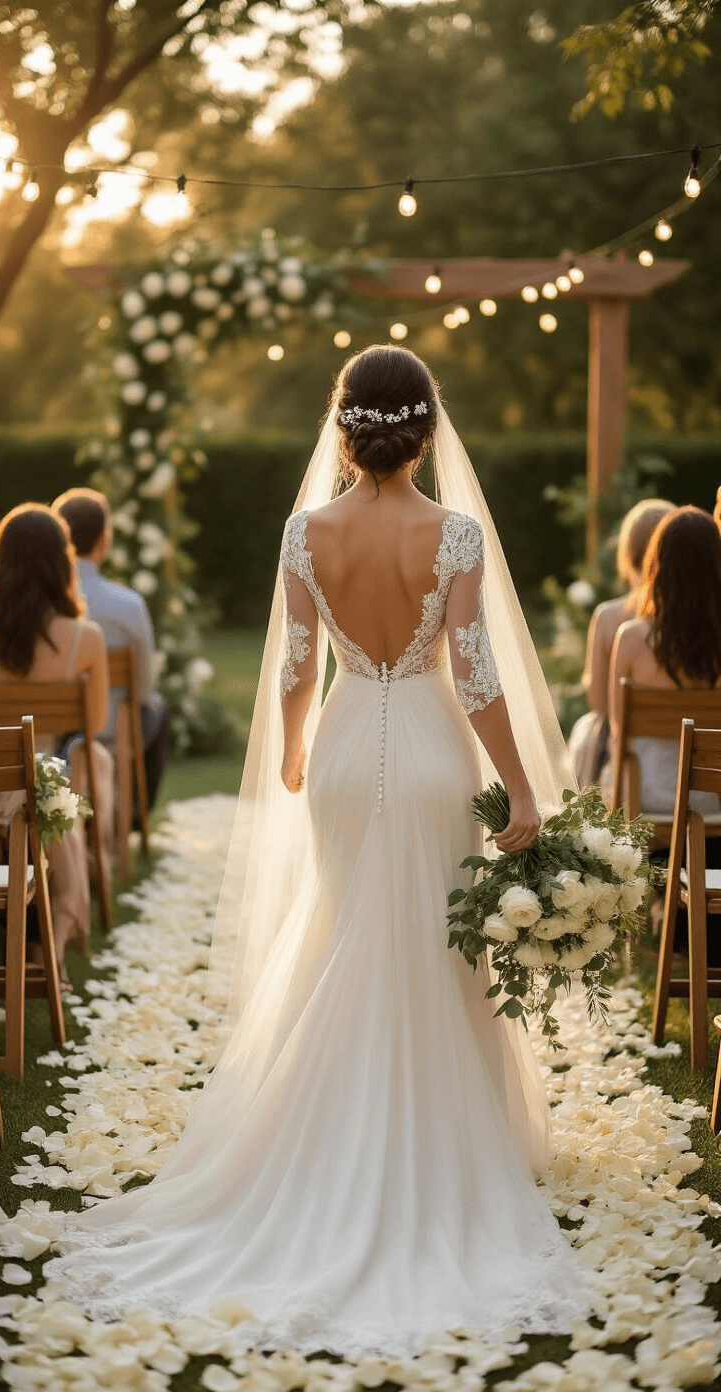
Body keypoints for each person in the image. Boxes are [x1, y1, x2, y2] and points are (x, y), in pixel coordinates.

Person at [46, 347, 587, 1350]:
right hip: (430, 755)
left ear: (345, 429)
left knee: (349, 934)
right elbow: (471, 672)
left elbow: (296, 664)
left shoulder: (307, 531)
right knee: (434, 946)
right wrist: (517, 780)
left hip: (342, 751)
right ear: (425, 431)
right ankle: (437, 1153)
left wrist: (296, 744)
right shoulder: (454, 533)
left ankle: (330, 1142)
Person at [0, 505, 111, 981]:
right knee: (68, 782)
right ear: (62, 564)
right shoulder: (86, 638)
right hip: (46, 780)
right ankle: (54, 938)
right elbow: (95, 722)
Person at [53, 488, 170, 811]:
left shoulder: (38, 607)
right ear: (104, 540)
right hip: (113, 729)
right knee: (158, 709)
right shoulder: (128, 605)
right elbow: (144, 689)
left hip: (50, 731)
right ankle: (132, 818)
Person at [608, 505, 721, 817]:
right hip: (711, 799)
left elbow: (617, 733)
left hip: (643, 797)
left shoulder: (631, 639)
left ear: (657, 565)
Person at [568, 497, 675, 787]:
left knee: (588, 728)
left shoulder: (610, 617)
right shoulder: (702, 623)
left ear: (629, 553)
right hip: (688, 764)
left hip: (633, 769)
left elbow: (599, 702)